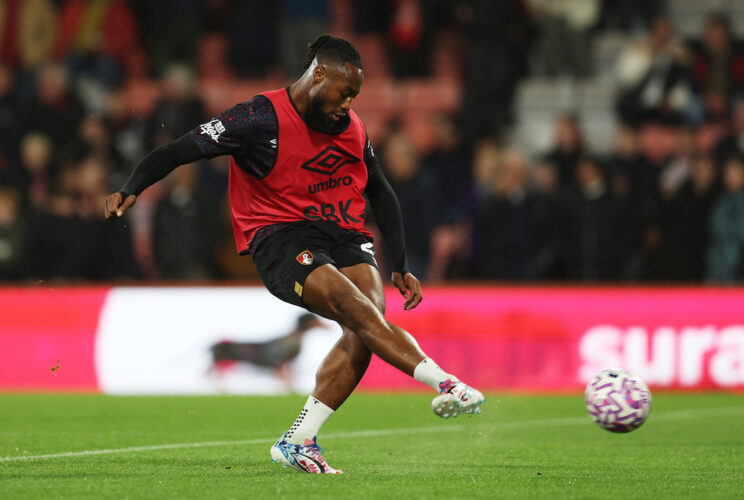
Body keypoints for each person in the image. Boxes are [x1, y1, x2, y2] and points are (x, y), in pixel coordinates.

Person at [104, 34, 484, 474]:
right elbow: (178, 150)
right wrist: (131, 186)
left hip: (342, 234)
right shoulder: (256, 119)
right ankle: (448, 383)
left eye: (355, 95)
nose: (349, 104)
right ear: (318, 74)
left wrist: (399, 264)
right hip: (280, 236)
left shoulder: (353, 128)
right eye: (345, 92)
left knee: (368, 321)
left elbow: (381, 192)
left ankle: (299, 441)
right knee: (355, 308)